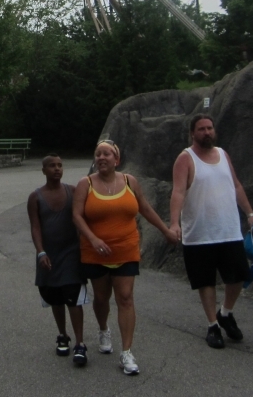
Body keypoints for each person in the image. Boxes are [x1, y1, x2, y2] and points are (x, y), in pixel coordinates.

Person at [73, 140, 178, 376]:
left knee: (126, 297)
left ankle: (127, 352)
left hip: (126, 249)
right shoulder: (85, 184)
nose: (102, 157)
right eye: (98, 154)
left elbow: (145, 208)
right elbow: (77, 216)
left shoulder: (130, 181)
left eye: (107, 154)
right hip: (95, 252)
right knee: (101, 297)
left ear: (116, 160)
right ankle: (103, 329)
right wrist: (93, 239)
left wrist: (165, 231)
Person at [169, 114, 253, 349]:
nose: (207, 132)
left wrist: (250, 213)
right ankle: (212, 325)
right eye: (201, 129)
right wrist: (174, 223)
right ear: (192, 133)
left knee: (239, 275)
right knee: (205, 280)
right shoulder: (185, 159)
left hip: (228, 230)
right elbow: (178, 192)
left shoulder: (223, 154)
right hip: (199, 233)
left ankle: (226, 313)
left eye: (210, 128)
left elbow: (236, 185)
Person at [27, 154, 88, 366]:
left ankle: (80, 343)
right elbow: (35, 226)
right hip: (48, 255)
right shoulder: (35, 197)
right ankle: (63, 335)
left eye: (60, 165)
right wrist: (41, 252)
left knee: (73, 294)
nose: (57, 169)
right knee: (54, 296)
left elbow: (83, 218)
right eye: (52, 166)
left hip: (71, 253)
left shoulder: (72, 192)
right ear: (43, 170)